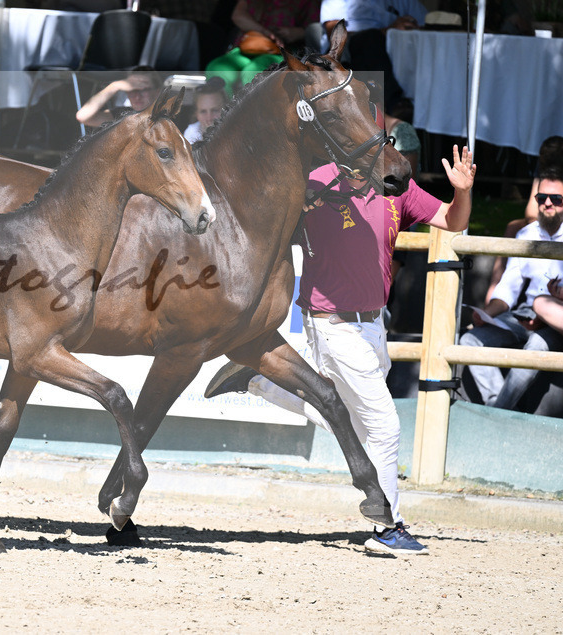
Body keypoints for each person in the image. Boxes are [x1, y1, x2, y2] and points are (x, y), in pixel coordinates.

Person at [206, 144, 477, 556]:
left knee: (354, 423)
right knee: (384, 427)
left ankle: (262, 382)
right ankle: (388, 527)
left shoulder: (396, 188)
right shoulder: (314, 180)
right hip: (331, 323)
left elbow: (451, 220)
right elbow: (256, 217)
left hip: (374, 323)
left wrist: (463, 191)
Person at [460, 170, 563, 411]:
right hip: (524, 315)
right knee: (469, 340)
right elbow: (508, 288)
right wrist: (486, 314)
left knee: (536, 347)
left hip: (555, 320)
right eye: (542, 198)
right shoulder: (525, 234)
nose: (547, 203)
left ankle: (497, 413)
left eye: (556, 198)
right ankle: (502, 406)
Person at [320, 0, 426, 115]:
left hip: (395, 53)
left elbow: (424, 22)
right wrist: (386, 31)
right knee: (370, 38)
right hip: (349, 51)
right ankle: (396, 104)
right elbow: (334, 34)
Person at [206, 0, 318, 97]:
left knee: (254, 71)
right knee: (218, 68)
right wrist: (265, 32)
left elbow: (315, 31)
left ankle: (252, 118)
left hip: (281, 53)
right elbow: (238, 16)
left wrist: (297, 32)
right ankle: (224, 117)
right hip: (247, 48)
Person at [486, 136, 563, 302]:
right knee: (514, 228)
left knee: (517, 229)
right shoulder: (542, 172)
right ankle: (495, 286)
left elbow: (531, 214)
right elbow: (530, 212)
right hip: (543, 220)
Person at [75, 67, 163, 128]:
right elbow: (83, 116)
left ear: (157, 92)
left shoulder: (168, 114)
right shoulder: (123, 114)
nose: (137, 97)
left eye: (143, 90)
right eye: (132, 90)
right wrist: (114, 86)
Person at [183, 78, 226, 143]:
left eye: (215, 110)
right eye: (203, 111)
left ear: (226, 110)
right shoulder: (191, 132)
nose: (209, 118)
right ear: (196, 113)